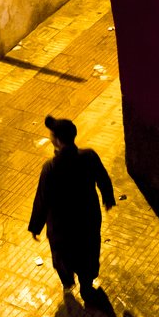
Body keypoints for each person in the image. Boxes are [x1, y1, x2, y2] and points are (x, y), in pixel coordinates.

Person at [29, 115, 115, 303]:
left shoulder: (50, 168)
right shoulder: (89, 156)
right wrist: (108, 198)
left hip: (62, 226)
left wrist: (36, 226)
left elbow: (42, 200)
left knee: (63, 256)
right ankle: (86, 283)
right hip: (88, 219)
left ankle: (68, 282)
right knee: (89, 251)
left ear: (57, 140)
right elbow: (103, 179)